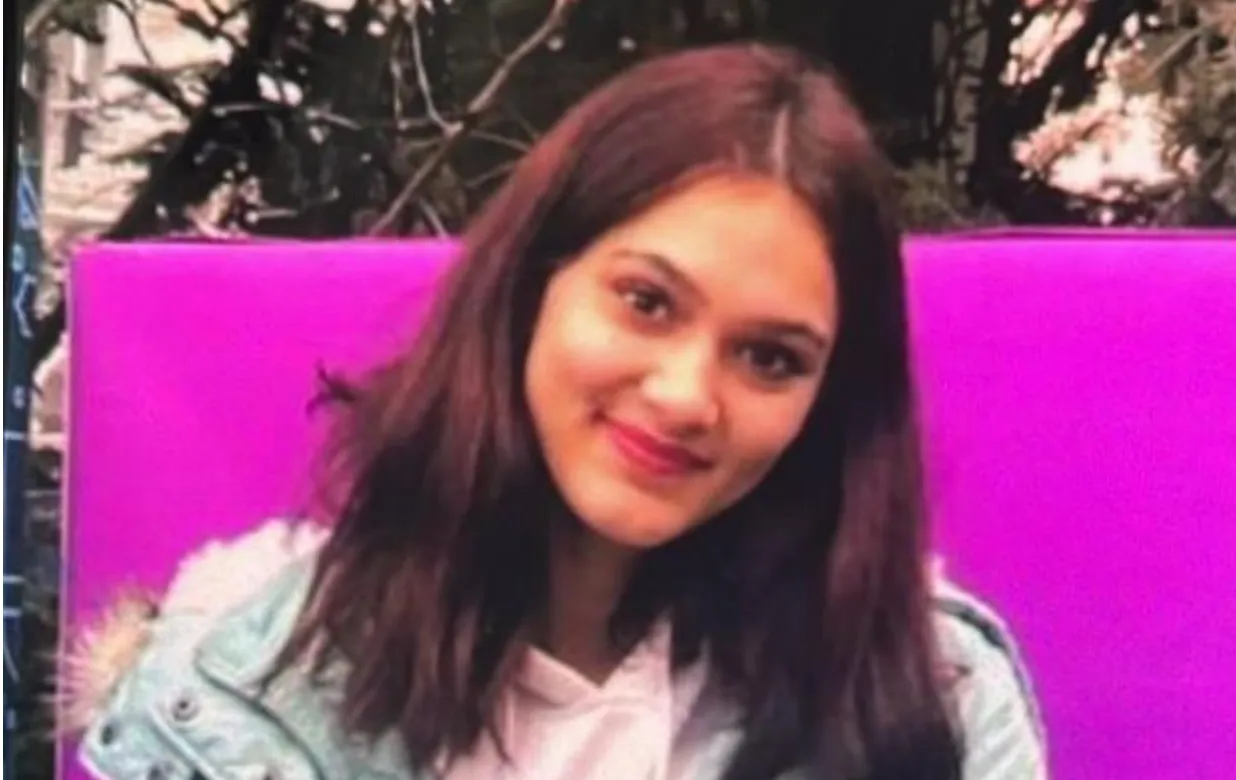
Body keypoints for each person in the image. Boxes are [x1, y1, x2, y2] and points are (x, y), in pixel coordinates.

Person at [72, 43, 1047, 780]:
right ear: (531, 286)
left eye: (769, 358)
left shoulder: (933, 707)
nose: (684, 396)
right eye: (647, 301)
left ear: (827, 404)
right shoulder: (234, 695)